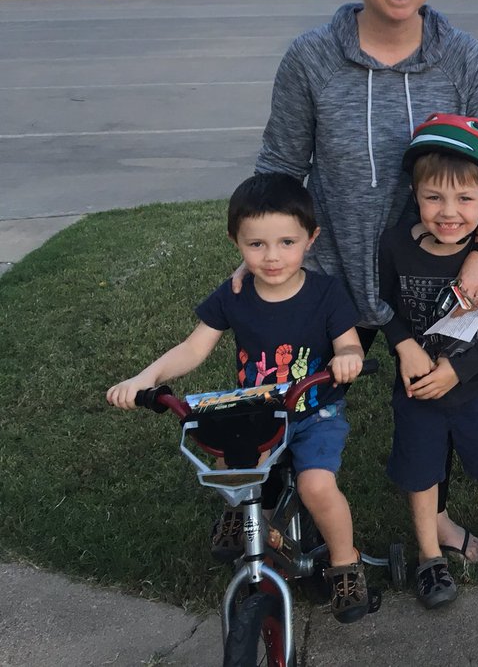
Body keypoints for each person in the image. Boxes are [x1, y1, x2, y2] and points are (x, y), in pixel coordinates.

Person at [252, 0, 478, 563]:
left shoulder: (461, 57)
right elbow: (280, 171)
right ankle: (285, 520)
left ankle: (442, 531)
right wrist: (269, 256)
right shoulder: (311, 59)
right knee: (298, 400)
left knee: (443, 403)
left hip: (436, 277)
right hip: (333, 270)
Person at [106, 173, 374, 624]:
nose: (272, 257)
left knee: (315, 486)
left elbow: (350, 344)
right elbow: (194, 348)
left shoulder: (326, 293)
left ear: (311, 239)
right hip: (259, 409)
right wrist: (145, 377)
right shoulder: (234, 296)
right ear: (236, 241)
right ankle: (250, 523)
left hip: (314, 411)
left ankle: (346, 564)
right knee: (231, 470)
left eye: (287, 242)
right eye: (257, 245)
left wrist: (348, 357)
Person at [377, 114, 478, 609]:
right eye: (433, 198)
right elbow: (384, 308)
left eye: (465, 199)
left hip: (477, 383)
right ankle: (429, 555)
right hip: (419, 385)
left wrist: (460, 370)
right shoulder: (396, 245)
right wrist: (405, 344)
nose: (448, 212)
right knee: (422, 471)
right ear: (415, 195)